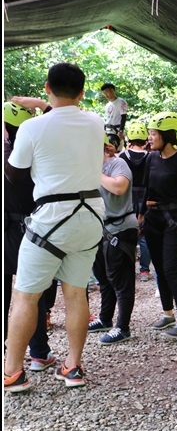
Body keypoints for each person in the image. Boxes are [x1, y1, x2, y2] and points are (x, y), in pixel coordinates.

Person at [4, 62, 105, 392]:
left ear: (47, 86)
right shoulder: (95, 122)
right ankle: (72, 367)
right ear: (82, 92)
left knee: (25, 297)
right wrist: (43, 106)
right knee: (76, 292)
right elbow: (65, 117)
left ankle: (13, 372)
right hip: (90, 215)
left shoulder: (32, 129)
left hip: (50, 218)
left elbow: (15, 174)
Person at [3, 100, 58, 375]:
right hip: (34, 229)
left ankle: (10, 353)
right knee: (34, 293)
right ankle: (38, 353)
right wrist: (42, 105)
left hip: (7, 230)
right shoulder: (37, 154)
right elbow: (59, 121)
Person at [140, 111, 177, 339]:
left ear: (166, 135)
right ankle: (168, 313)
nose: (150, 137)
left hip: (174, 221)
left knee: (172, 268)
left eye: (153, 133)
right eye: (150, 133)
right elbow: (144, 189)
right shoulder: (151, 158)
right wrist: (141, 214)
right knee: (160, 268)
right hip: (153, 220)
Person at [86, 135, 138, 345]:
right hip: (99, 229)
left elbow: (119, 187)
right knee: (103, 277)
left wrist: (94, 172)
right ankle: (105, 318)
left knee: (121, 279)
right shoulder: (88, 168)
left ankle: (122, 327)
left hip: (121, 228)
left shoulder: (117, 163)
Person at [118, 121, 152, 281]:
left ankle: (128, 268)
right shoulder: (151, 157)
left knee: (127, 233)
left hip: (127, 197)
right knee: (144, 236)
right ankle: (144, 270)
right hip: (145, 198)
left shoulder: (122, 157)